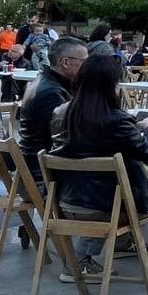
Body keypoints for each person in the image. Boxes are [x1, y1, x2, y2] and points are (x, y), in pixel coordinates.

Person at [50, 55, 148, 287]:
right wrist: (147, 130)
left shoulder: (60, 113)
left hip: (67, 201)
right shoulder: (115, 120)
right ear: (110, 85)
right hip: (109, 206)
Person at [19, 37, 89, 188]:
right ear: (65, 62)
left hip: (35, 168)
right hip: (43, 176)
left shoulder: (46, 81)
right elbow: (67, 137)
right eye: (84, 61)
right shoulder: (52, 92)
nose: (88, 67)